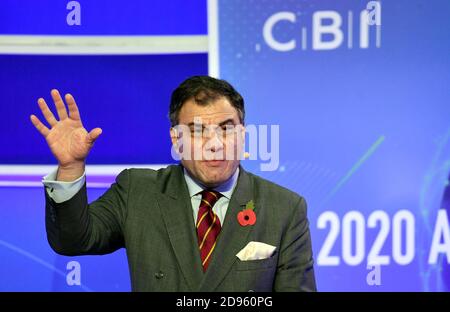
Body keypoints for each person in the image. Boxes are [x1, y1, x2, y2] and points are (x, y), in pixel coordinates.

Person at [30, 76, 316, 291]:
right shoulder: (137, 192)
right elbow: (73, 240)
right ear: (176, 140)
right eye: (197, 131)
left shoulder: (284, 209)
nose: (214, 144)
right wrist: (70, 167)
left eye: (226, 129)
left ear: (243, 135)